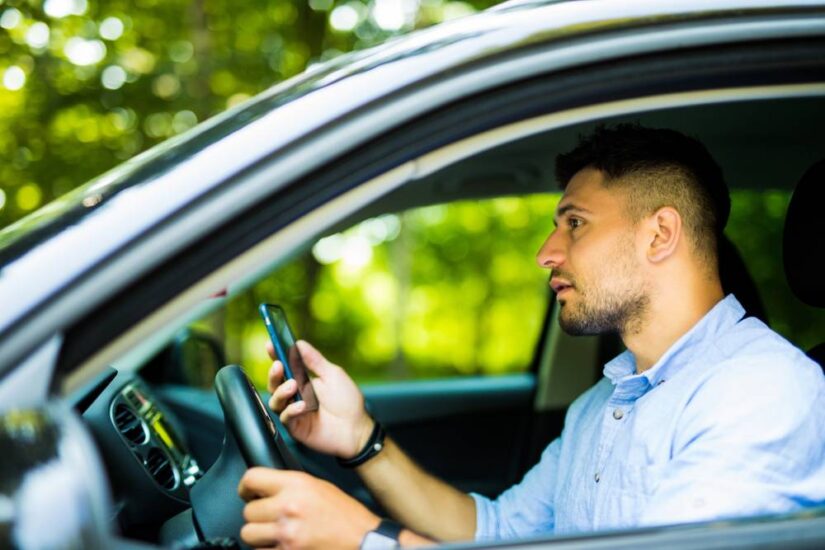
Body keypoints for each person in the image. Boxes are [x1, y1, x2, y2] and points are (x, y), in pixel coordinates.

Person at [237, 124, 825, 549]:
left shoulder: (764, 390)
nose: (547, 254)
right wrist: (362, 439)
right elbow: (490, 532)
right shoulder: (602, 405)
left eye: (575, 223)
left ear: (659, 235)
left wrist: (365, 540)